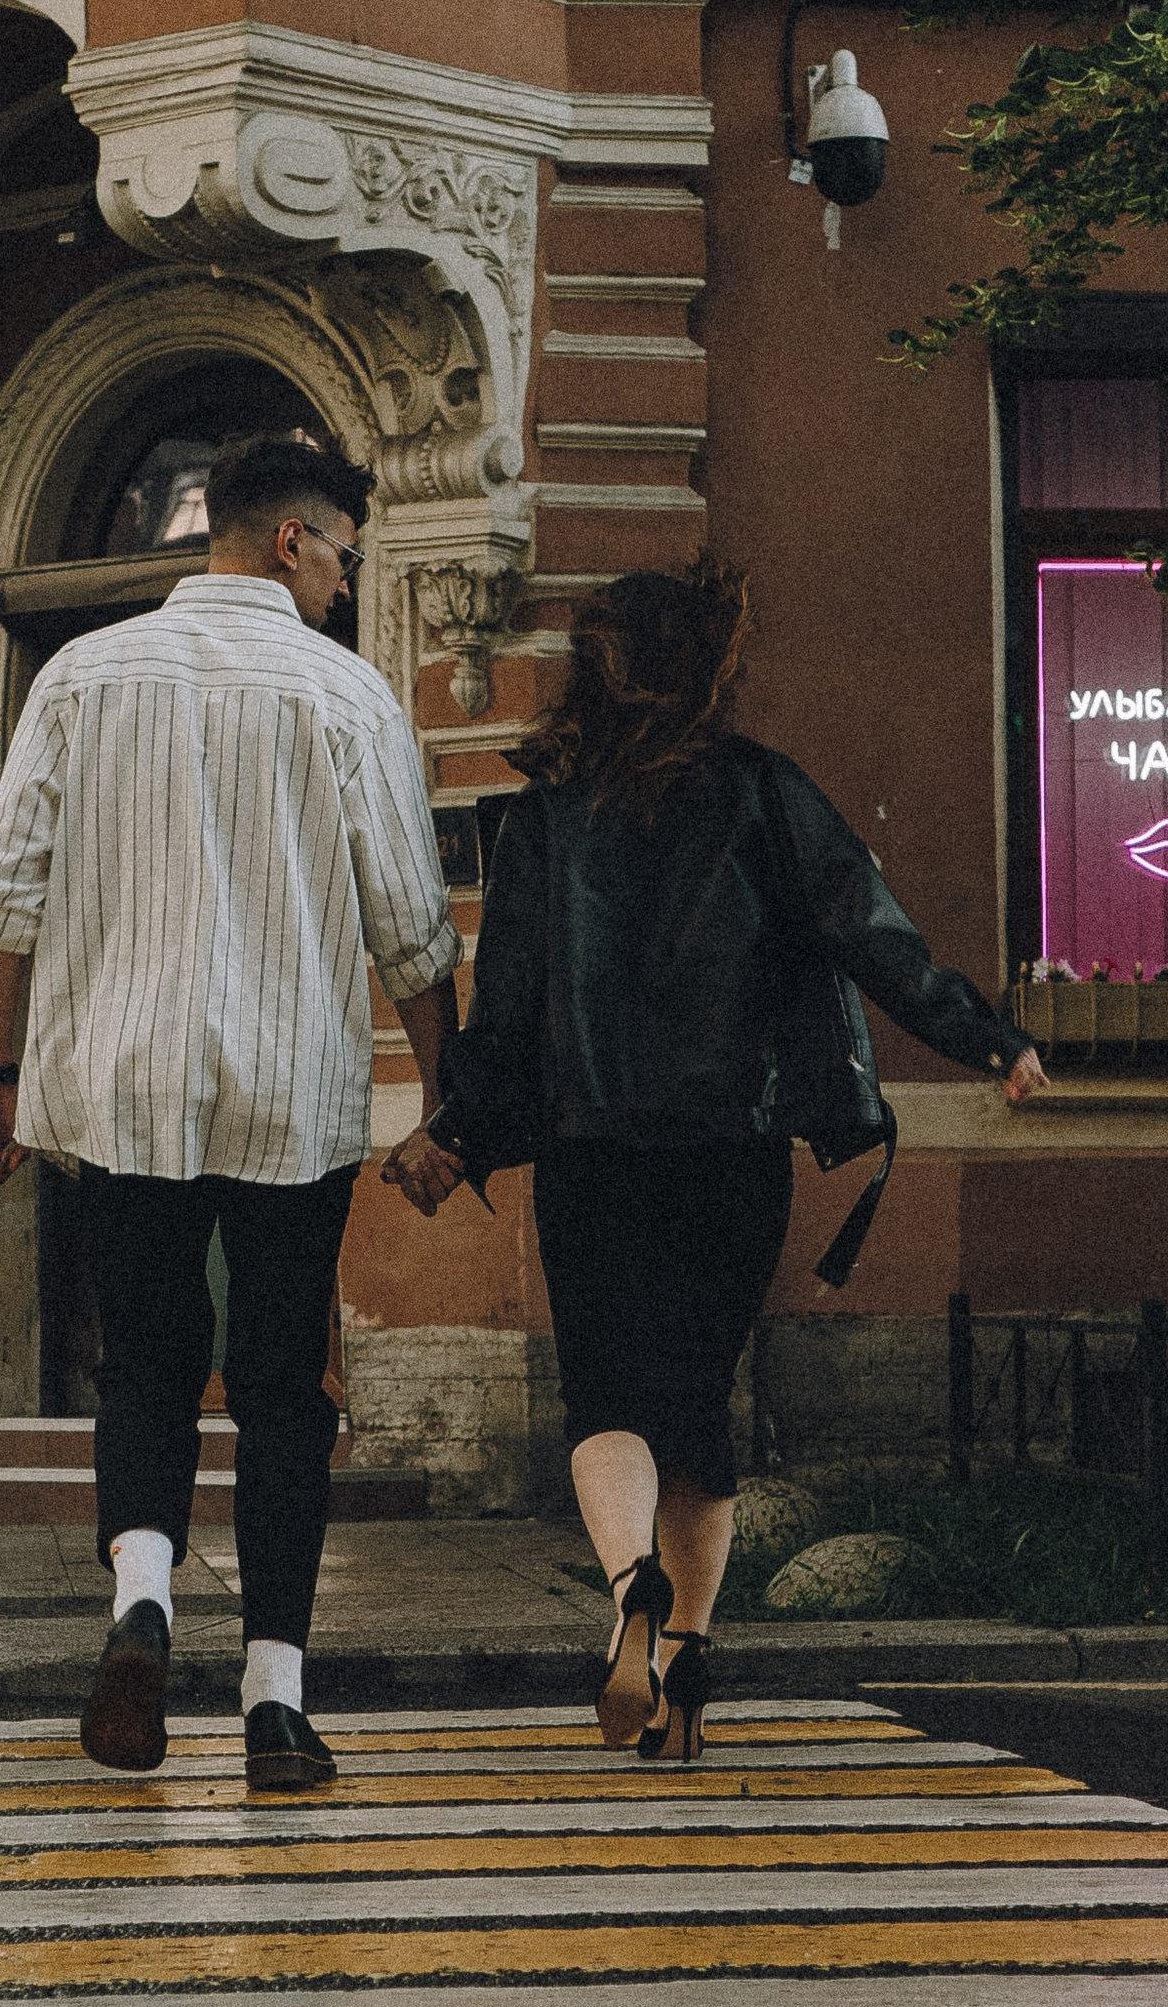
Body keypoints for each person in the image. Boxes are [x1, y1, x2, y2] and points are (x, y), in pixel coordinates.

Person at [387, 559, 1046, 1763]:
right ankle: (684, 1658)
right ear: (705, 668)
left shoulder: (537, 820)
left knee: (607, 1401)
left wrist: (454, 1132)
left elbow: (509, 1006)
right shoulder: (765, 794)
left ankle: (629, 1584)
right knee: (697, 1406)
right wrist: (989, 1038)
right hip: (733, 1152)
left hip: (590, 1157)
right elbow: (871, 935)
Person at [0, 430, 461, 1794]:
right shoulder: (347, 698)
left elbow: (2, 896)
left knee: (148, 1366)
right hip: (292, 1096)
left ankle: (142, 1600)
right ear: (292, 540)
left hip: (115, 1092)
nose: (347, 589)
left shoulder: (82, 675)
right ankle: (277, 1701)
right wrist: (448, 1101)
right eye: (345, 557)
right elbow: (412, 931)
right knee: (286, 1389)